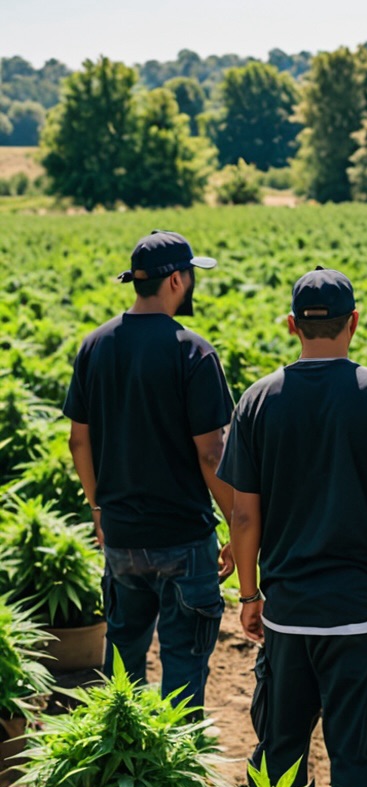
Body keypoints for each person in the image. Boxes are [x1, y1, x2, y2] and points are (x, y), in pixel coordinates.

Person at [217, 267, 367, 787]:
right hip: (364, 615)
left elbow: (245, 515)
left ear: (292, 325)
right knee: (358, 763)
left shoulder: (259, 401)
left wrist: (250, 596)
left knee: (279, 760)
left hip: (290, 614)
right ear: (354, 323)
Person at [65, 230, 235, 711]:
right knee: (183, 668)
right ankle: (173, 773)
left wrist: (99, 508)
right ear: (177, 280)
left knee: (123, 668)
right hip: (184, 537)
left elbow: (79, 439)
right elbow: (211, 454)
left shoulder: (94, 346)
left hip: (121, 533)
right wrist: (240, 526)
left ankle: (128, 759)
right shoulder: (192, 351)